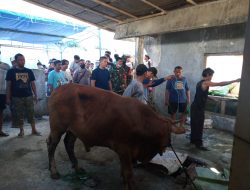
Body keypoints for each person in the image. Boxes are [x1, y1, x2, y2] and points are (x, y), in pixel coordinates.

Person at [190, 68, 240, 151]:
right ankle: (199, 144)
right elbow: (220, 84)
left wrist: (212, 99)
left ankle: (193, 140)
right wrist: (234, 80)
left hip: (195, 106)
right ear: (208, 75)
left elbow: (201, 95)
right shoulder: (206, 82)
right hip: (198, 108)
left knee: (194, 124)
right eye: (211, 75)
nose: (212, 77)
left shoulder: (200, 82)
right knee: (198, 125)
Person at [5, 53, 41, 137]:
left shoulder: (28, 71)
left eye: (23, 59)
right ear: (16, 61)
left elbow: (33, 84)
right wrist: (8, 98)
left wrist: (35, 95)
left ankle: (34, 129)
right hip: (16, 97)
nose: (22, 61)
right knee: (19, 114)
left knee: (31, 113)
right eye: (20, 60)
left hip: (28, 95)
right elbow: (8, 86)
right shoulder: (10, 72)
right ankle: (21, 131)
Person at [0, 62, 10, 137]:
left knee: (0, 113)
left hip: (2, 93)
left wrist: (8, 96)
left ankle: (0, 131)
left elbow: (8, 82)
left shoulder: (5, 66)